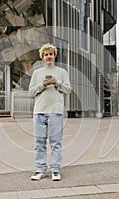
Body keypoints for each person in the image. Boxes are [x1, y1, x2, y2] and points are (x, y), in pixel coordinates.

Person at [29, 43, 71, 181]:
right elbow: (31, 92)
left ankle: (55, 170)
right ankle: (40, 169)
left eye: (51, 54)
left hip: (56, 112)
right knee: (39, 143)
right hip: (39, 111)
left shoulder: (62, 72)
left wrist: (57, 83)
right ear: (42, 57)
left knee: (56, 143)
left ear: (54, 55)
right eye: (46, 54)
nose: (48, 57)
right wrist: (43, 84)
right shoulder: (36, 73)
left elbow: (68, 90)